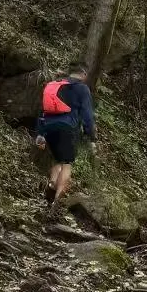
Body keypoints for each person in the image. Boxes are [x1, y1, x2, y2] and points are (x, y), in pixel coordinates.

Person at [35, 63, 97, 205]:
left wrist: (40, 133)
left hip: (48, 128)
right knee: (67, 164)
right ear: (83, 74)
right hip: (67, 128)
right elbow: (87, 115)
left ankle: (51, 186)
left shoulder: (54, 85)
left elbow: (42, 109)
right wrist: (91, 137)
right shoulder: (82, 88)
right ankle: (56, 202)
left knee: (57, 160)